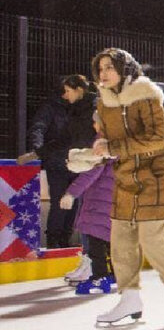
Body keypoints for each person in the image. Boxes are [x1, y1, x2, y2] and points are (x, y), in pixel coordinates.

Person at [90, 49, 164, 326]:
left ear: (125, 69)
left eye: (109, 67)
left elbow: (157, 139)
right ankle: (130, 299)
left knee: (151, 239)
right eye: (100, 69)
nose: (103, 74)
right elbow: (108, 141)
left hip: (155, 175)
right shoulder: (104, 103)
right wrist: (95, 152)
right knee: (121, 241)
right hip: (125, 176)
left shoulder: (145, 95)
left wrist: (114, 148)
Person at [18, 74, 97, 248]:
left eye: (68, 90)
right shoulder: (54, 108)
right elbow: (43, 129)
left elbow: (71, 137)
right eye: (64, 91)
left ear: (78, 90)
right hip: (58, 162)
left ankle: (67, 240)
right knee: (60, 201)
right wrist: (38, 152)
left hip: (80, 163)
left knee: (74, 202)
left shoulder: (87, 108)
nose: (65, 94)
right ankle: (55, 240)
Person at [60, 117, 115, 294]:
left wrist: (71, 193)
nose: (93, 125)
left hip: (99, 200)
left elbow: (92, 171)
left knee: (95, 239)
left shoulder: (102, 142)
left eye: (95, 121)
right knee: (112, 240)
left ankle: (100, 277)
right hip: (113, 198)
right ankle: (117, 274)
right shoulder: (120, 140)